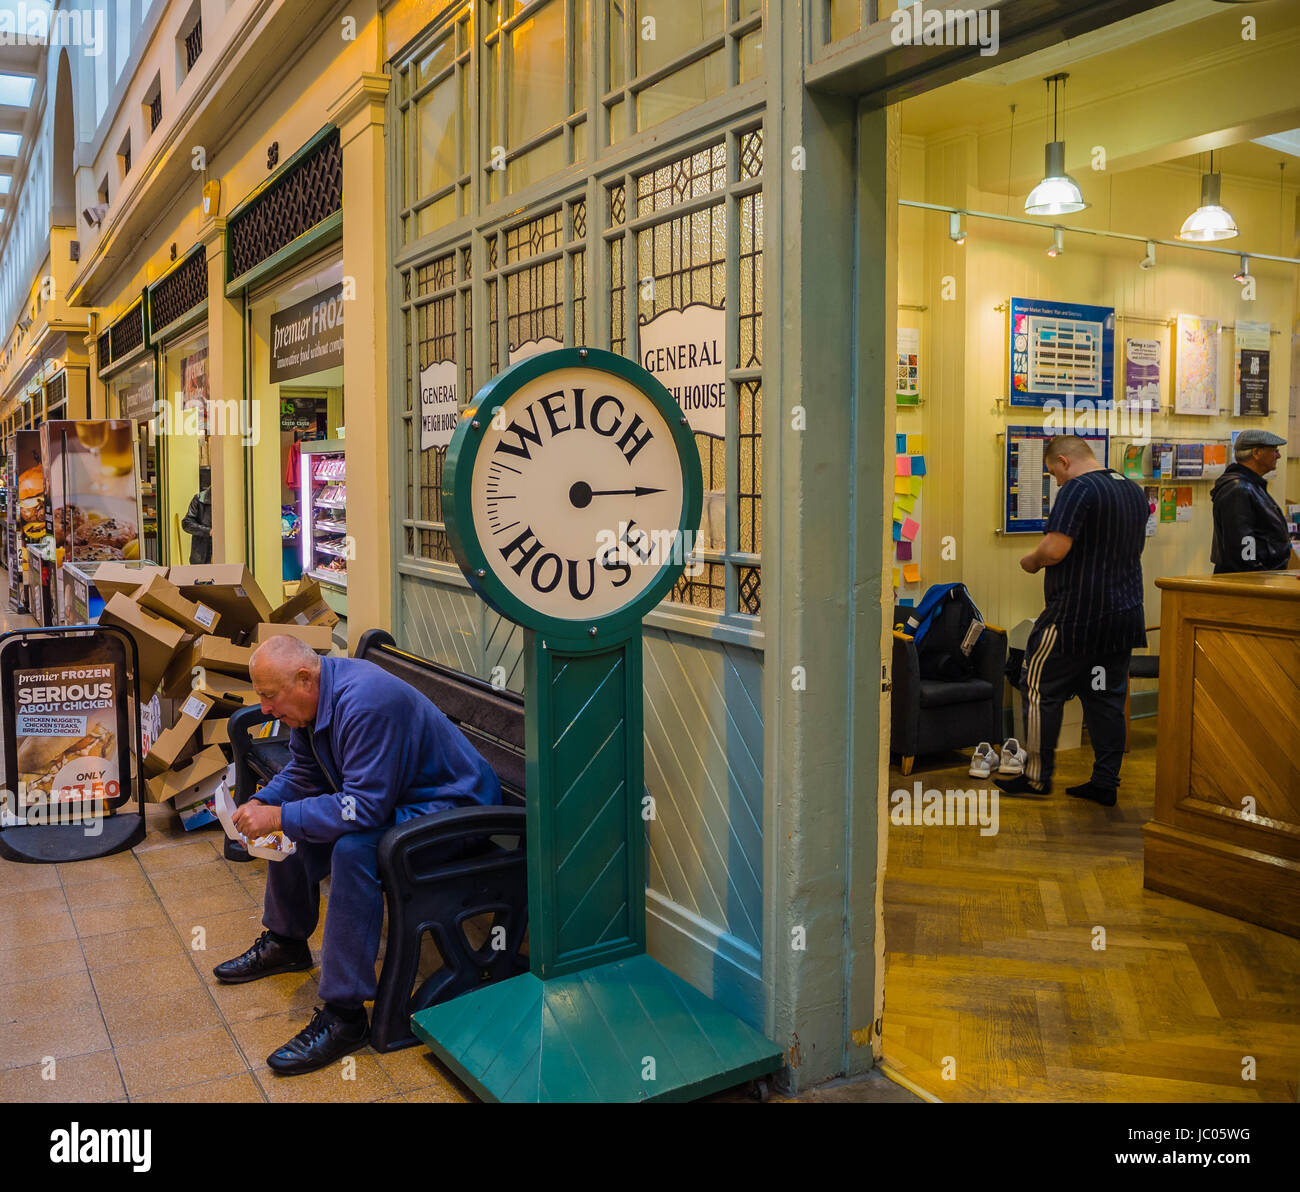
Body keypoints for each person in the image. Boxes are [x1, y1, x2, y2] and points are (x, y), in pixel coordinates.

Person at [214, 636, 502, 1074]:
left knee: (351, 849)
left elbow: (364, 809)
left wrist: (280, 816)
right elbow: (308, 773)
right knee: (293, 826)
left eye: (270, 697)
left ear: (305, 678)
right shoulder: (314, 701)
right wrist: (264, 802)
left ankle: (345, 1015)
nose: (266, 709)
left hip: (455, 810)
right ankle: (286, 942)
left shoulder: (366, 703)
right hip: (400, 800)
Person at [999, 435, 1149, 806]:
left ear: (1064, 461)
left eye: (1053, 472)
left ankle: (1035, 778)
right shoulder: (1131, 489)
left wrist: (1030, 561)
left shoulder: (1077, 489)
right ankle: (1104, 782)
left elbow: (1054, 549)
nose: (1056, 480)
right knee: (1105, 699)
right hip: (1124, 615)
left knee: (1037, 687)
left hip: (1074, 617)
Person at [1210, 429, 1298, 574]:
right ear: (1256, 453)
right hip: (1248, 582)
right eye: (1274, 450)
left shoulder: (1251, 485)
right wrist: (1256, 576)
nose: (1279, 455)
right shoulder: (1239, 489)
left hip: (1262, 577)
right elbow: (1242, 543)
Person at [181, 471, 212, 564]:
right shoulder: (199, 499)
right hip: (201, 555)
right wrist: (208, 531)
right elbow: (186, 523)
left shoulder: (231, 498)